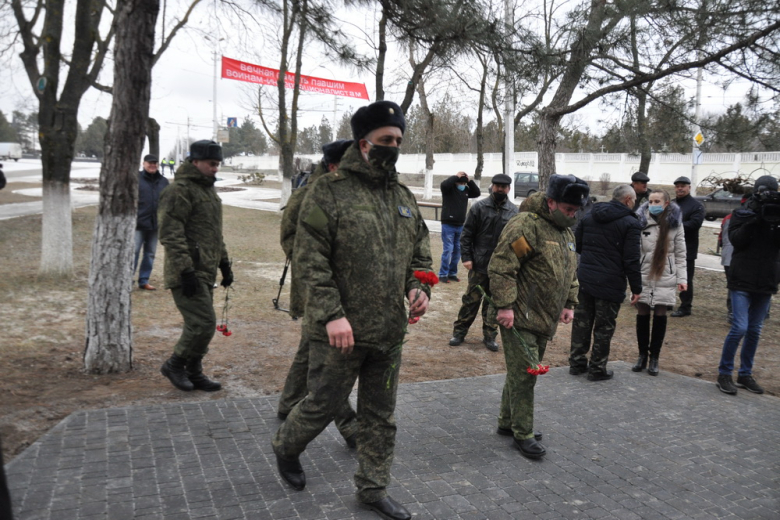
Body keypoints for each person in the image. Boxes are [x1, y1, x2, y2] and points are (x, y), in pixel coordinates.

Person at [272, 101, 432, 520]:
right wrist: (331, 314)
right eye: (385, 140)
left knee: (380, 418)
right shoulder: (330, 189)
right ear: (364, 144)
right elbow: (310, 258)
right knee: (322, 405)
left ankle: (372, 489)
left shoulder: (402, 196)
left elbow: (420, 253)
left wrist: (419, 286)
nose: (393, 147)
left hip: (387, 331)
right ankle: (286, 448)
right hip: (339, 332)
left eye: (398, 140)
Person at [489, 174, 588, 460]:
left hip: (545, 318)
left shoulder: (565, 232)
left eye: (576, 210)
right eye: (568, 209)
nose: (573, 215)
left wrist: (570, 301)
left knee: (521, 373)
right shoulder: (526, 226)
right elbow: (503, 267)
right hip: (520, 315)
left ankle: (507, 423)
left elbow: (571, 271)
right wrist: (506, 306)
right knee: (526, 375)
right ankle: (524, 433)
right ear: (551, 202)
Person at [277, 138, 358, 449]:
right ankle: (351, 427)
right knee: (328, 365)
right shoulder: (312, 197)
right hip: (319, 291)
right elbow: (299, 245)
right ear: (335, 165)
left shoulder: (342, 192)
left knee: (309, 350)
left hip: (337, 288)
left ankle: (287, 403)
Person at [158, 140, 233, 393]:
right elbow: (170, 234)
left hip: (205, 269)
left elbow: (214, 234)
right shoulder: (179, 190)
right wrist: (185, 270)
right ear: (195, 162)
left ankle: (194, 371)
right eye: (211, 164)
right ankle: (174, 364)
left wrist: (224, 264)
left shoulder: (208, 192)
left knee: (201, 325)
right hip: (187, 272)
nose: (215, 169)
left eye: (217, 164)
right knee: (203, 323)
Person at [569, 185, 642, 381]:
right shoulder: (630, 223)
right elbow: (632, 259)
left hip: (585, 278)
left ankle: (576, 362)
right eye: (634, 200)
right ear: (628, 199)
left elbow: (578, 244)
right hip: (610, 282)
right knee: (604, 327)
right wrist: (637, 288)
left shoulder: (590, 215)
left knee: (581, 322)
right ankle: (597, 368)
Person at [716, 175, 780, 395]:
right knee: (740, 327)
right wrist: (755, 219)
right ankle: (724, 373)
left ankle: (745, 374)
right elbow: (737, 241)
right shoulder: (743, 211)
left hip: (766, 279)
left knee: (754, 330)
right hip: (742, 277)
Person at [450, 174, 518, 352]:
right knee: (470, 301)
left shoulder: (514, 212)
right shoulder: (479, 207)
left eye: (504, 187)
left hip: (500, 268)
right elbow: (467, 235)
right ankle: (459, 332)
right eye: (497, 186)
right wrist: (466, 258)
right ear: (492, 187)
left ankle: (490, 336)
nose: (500, 189)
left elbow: (516, 241)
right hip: (478, 264)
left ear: (509, 189)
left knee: (493, 303)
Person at [632, 190, 687, 376]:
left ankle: (654, 357)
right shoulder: (640, 221)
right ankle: (642, 355)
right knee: (642, 312)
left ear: (666, 203)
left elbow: (680, 254)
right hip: (644, 273)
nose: (653, 203)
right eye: (651, 200)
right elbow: (634, 251)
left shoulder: (675, 223)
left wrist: (682, 279)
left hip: (666, 274)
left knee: (661, 314)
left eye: (657, 201)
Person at [133, 154, 169, 291]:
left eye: (155, 163)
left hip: (155, 225)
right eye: (150, 163)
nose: (152, 165)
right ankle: (127, 279)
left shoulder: (163, 181)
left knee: (150, 253)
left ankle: (144, 280)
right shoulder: (136, 178)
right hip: (138, 223)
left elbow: (167, 202)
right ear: (143, 164)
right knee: (134, 252)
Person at [670, 176, 704, 317]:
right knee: (668, 276)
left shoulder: (696, 206)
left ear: (689, 187)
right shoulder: (670, 204)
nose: (680, 188)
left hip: (687, 248)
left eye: (683, 186)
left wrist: (675, 226)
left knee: (685, 278)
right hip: (668, 247)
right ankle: (666, 302)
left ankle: (685, 306)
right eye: (677, 186)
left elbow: (695, 224)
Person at [438, 171, 481, 283]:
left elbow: (477, 192)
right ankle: (443, 274)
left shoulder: (466, 191)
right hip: (448, 224)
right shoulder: (448, 190)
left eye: (464, 183)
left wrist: (469, 181)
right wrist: (455, 176)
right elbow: (444, 184)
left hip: (460, 225)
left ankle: (452, 273)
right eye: (460, 182)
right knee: (448, 250)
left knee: (457, 250)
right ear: (456, 182)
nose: (462, 185)